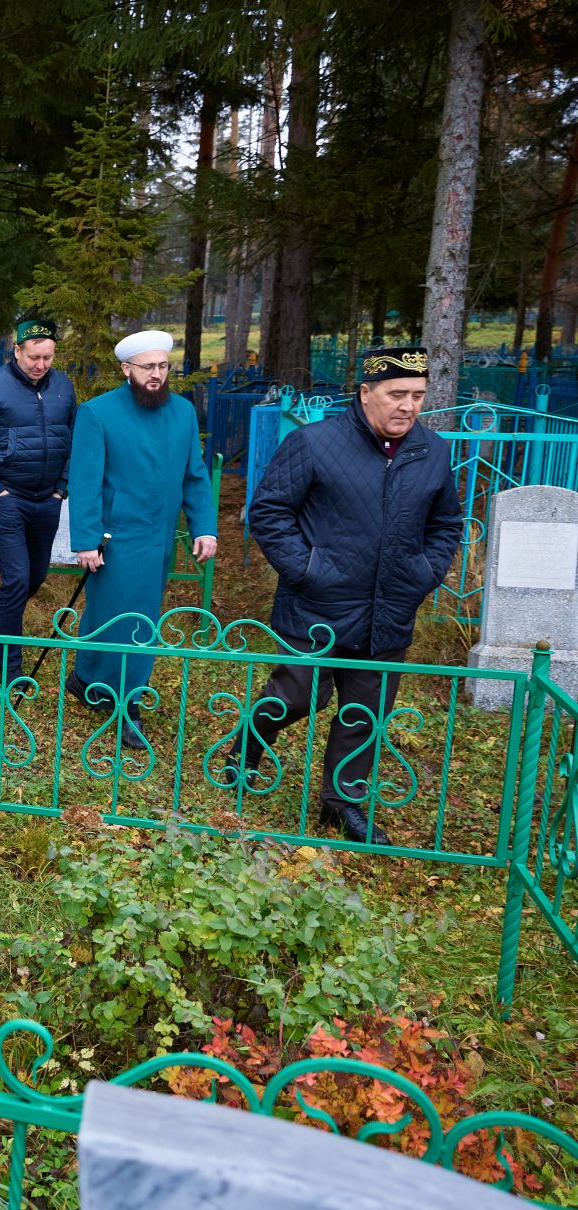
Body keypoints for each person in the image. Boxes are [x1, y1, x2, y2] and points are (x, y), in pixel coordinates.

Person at [230, 347, 462, 844]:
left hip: (391, 609)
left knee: (366, 711)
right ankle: (247, 746)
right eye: (397, 394)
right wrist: (309, 570)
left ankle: (342, 803)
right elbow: (270, 513)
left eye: (418, 396)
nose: (408, 406)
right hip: (317, 606)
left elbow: (446, 524)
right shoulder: (314, 444)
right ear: (365, 393)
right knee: (297, 697)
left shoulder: (432, 451)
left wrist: (425, 572)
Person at [66, 330, 219, 749]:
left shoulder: (183, 412)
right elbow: (85, 481)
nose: (156, 375)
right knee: (123, 617)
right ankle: (127, 705)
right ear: (126, 369)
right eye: (148, 367)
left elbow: (194, 474)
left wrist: (204, 526)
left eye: (163, 366)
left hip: (160, 537)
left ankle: (85, 680)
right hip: (117, 535)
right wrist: (85, 539)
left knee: (133, 614)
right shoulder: (98, 413)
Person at [0, 318, 77, 678]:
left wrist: (61, 488)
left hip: (48, 499)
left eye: (48, 357)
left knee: (36, 577)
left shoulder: (63, 387)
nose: (41, 365)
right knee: (16, 580)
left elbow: (74, 440)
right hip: (6, 499)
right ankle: (11, 666)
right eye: (33, 357)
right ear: (17, 351)